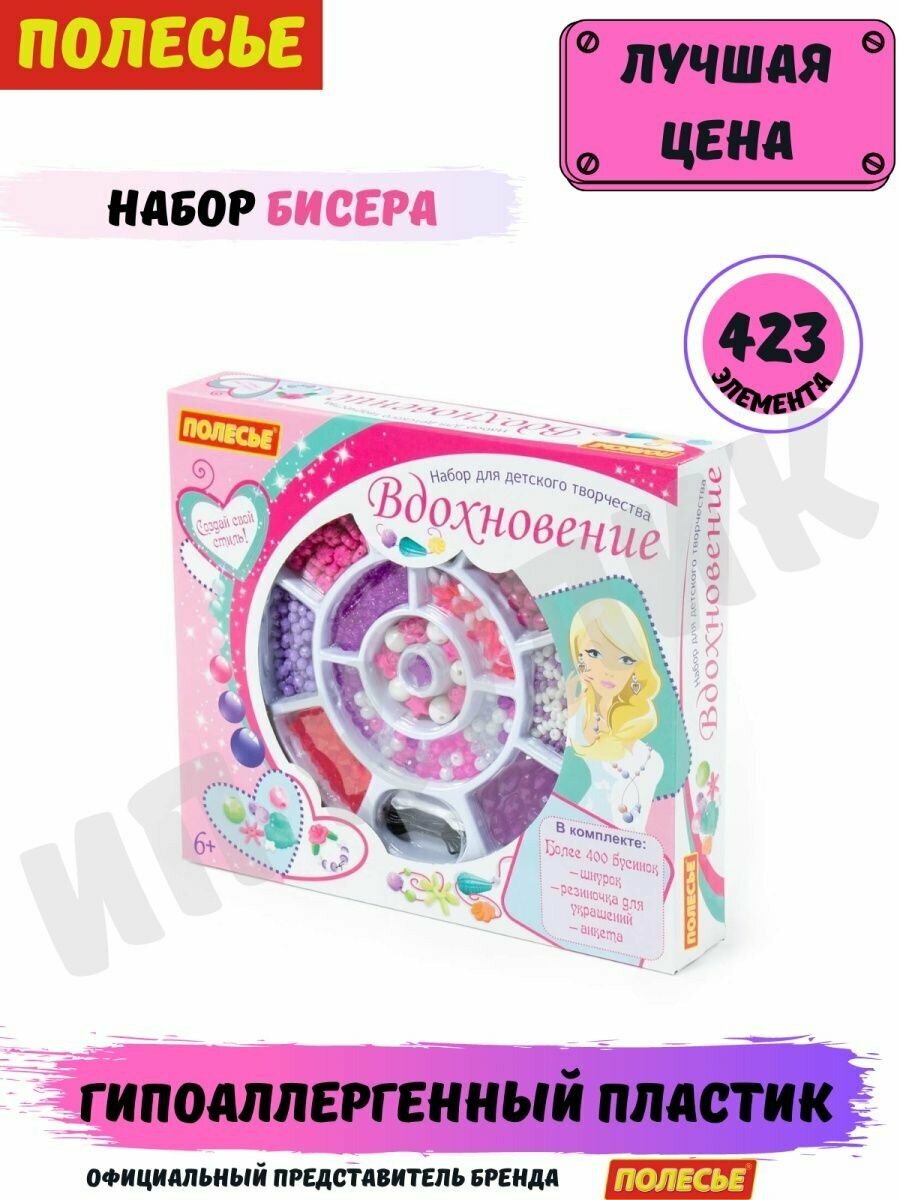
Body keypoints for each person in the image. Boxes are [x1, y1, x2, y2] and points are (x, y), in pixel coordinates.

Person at [565, 598, 663, 830]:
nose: (609, 670)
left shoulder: (646, 751)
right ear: (578, 653)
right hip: (573, 837)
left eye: (625, 659)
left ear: (636, 667)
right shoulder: (575, 722)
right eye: (594, 653)